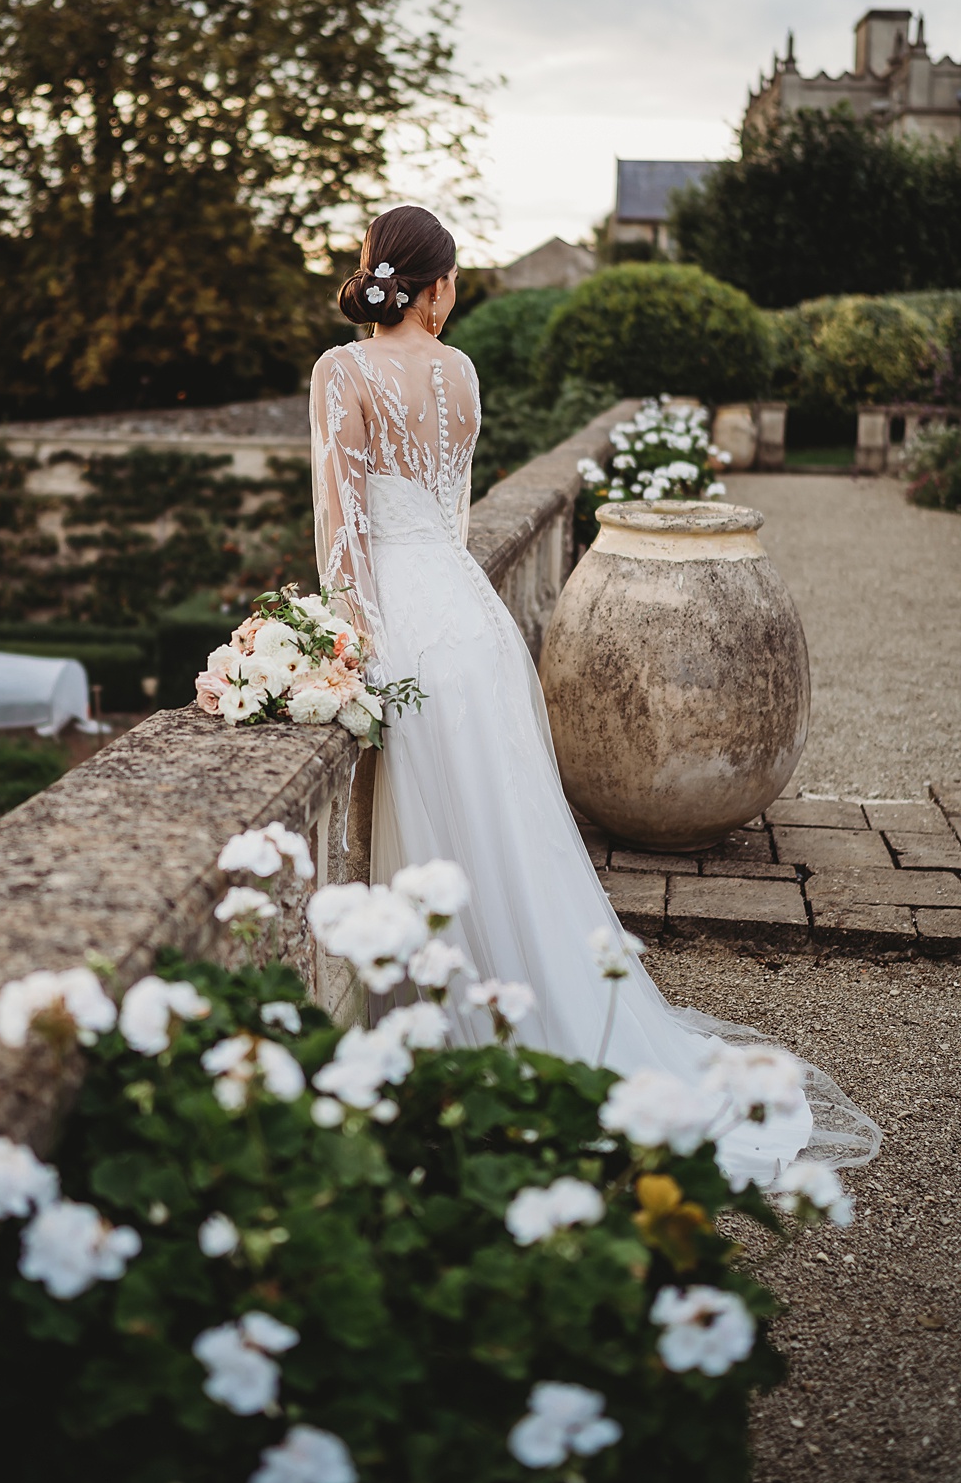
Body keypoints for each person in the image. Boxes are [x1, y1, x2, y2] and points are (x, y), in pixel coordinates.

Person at [310, 203, 879, 1184]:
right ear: (438, 288)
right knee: (504, 827)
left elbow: (342, 533)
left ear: (376, 273)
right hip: (474, 625)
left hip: (405, 622)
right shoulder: (462, 374)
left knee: (444, 826)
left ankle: (434, 1036)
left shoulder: (341, 372)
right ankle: (533, 1007)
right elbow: (451, 516)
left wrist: (334, 640)